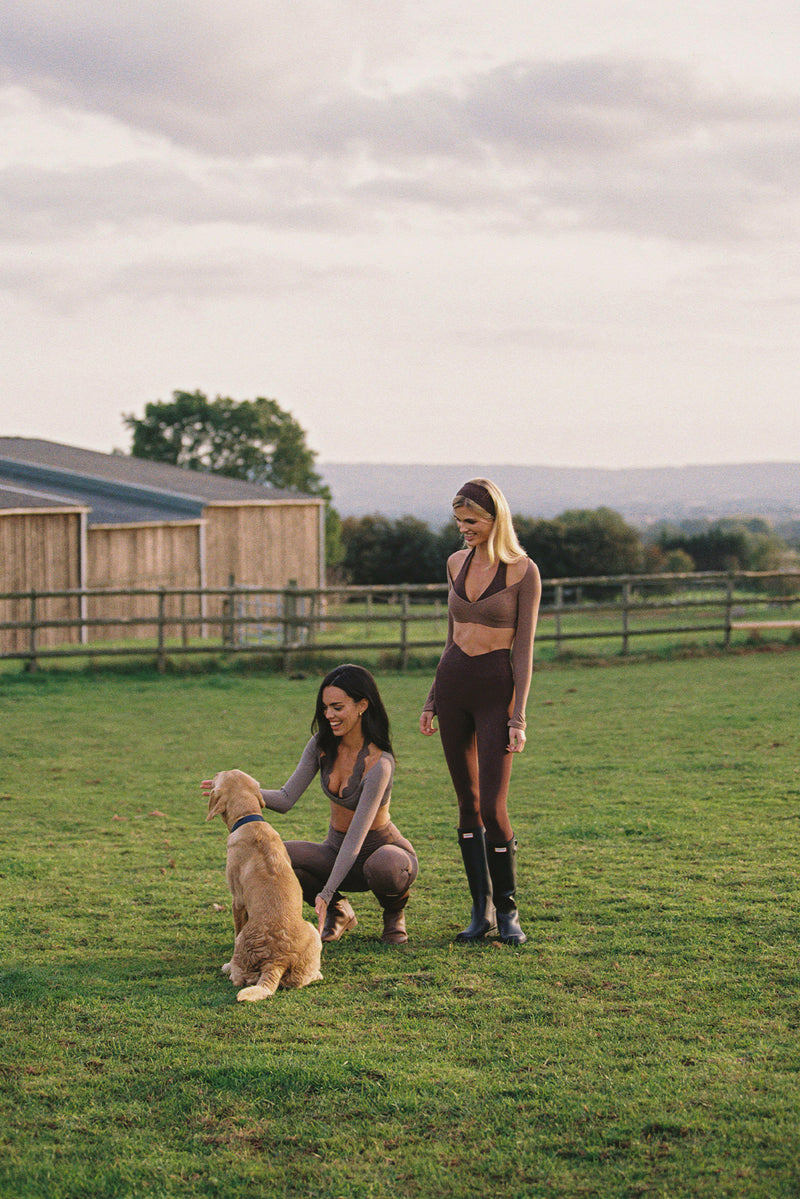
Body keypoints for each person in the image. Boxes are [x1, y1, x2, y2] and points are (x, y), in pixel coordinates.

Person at [205, 664, 417, 946]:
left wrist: (326, 892)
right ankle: (340, 913)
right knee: (275, 857)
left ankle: (394, 916)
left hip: (380, 851)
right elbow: (284, 798)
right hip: (334, 849)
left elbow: (356, 838)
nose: (329, 714)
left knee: (386, 866)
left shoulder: (380, 764)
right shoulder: (320, 745)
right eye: (325, 707)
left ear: (362, 705)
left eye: (337, 707)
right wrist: (237, 790)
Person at [420, 478, 541, 945]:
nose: (463, 529)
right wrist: (432, 697)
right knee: (466, 804)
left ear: (495, 520)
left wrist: (519, 717)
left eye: (471, 521)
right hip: (453, 686)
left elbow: (524, 653)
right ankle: (480, 909)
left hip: (496, 692)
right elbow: (450, 638)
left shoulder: (523, 571)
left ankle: (509, 911)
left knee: (493, 805)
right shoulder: (454, 563)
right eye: (458, 521)